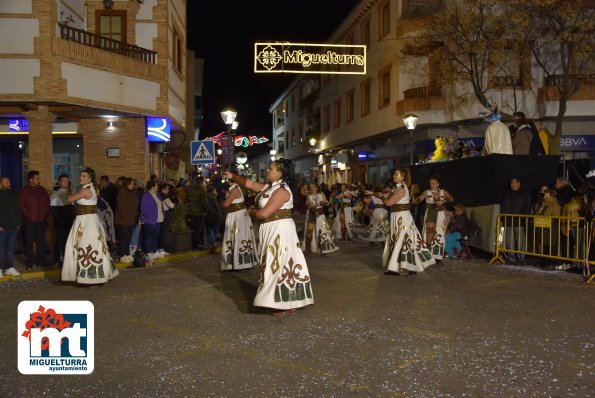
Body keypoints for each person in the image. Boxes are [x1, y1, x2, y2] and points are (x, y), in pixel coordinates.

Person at [223, 159, 314, 317]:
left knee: (279, 263)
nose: (267, 171)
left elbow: (264, 213)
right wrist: (233, 176)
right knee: (273, 263)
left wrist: (251, 211)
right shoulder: (271, 188)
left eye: (270, 169)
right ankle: (282, 301)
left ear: (279, 173)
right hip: (271, 228)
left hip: (280, 230)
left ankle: (285, 304)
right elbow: (250, 184)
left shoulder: (282, 191)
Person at [61, 168, 119, 284]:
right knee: (90, 245)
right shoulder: (90, 188)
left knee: (86, 245)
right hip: (86, 220)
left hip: (86, 222)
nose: (81, 178)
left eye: (84, 176)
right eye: (81, 175)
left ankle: (90, 276)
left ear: (90, 178)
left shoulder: (86, 190)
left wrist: (66, 188)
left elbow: (68, 199)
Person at [381, 168, 435, 275]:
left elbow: (388, 203)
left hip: (402, 217)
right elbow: (388, 196)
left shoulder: (401, 189)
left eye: (396, 175)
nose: (394, 176)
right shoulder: (397, 188)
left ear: (403, 177)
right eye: (394, 174)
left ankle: (395, 268)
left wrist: (383, 198)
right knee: (401, 240)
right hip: (398, 216)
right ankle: (408, 267)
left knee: (401, 240)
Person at [413, 175, 454, 261]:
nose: (432, 185)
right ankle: (427, 254)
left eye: (434, 183)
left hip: (440, 214)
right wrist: (414, 200)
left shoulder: (443, 192)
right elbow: (419, 199)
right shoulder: (427, 192)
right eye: (431, 183)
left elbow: (451, 199)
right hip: (431, 213)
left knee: (439, 233)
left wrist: (443, 201)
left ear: (438, 184)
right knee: (430, 233)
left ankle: (437, 256)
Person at [220, 180, 258, 271]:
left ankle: (241, 264)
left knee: (239, 237)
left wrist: (221, 202)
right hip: (237, 215)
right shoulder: (234, 188)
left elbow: (225, 204)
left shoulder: (234, 190)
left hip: (237, 216)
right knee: (239, 237)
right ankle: (240, 262)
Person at [18, 170, 51, 270]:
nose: (39, 180)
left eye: (39, 178)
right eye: (37, 178)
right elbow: (21, 205)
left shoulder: (42, 189)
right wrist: (28, 215)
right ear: (31, 180)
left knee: (41, 242)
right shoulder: (25, 191)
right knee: (29, 242)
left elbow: (47, 202)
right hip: (30, 221)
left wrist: (45, 214)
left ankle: (41, 261)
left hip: (41, 221)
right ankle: (30, 264)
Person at [500, 177, 532, 265]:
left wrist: (521, 218)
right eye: (511, 183)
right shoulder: (506, 194)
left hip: (519, 222)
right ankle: (511, 258)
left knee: (520, 241)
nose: (511, 185)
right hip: (508, 222)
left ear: (518, 183)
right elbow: (503, 207)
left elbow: (527, 208)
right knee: (509, 241)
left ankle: (521, 259)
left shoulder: (525, 194)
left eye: (513, 183)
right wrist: (503, 217)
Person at [301, 183, 338, 254]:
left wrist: (320, 203)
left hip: (321, 215)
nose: (312, 189)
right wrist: (315, 210)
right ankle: (308, 249)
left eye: (313, 187)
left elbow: (327, 203)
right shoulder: (309, 196)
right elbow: (310, 206)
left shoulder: (321, 195)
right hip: (312, 215)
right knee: (309, 231)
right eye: (311, 188)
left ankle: (324, 249)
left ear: (317, 188)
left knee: (322, 232)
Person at [50, 174, 75, 267]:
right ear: (59, 183)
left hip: (69, 221)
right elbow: (53, 209)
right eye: (63, 181)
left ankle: (66, 258)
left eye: (67, 181)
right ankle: (58, 259)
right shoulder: (56, 193)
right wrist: (60, 220)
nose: (66, 182)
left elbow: (71, 207)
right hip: (61, 222)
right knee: (60, 240)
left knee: (68, 240)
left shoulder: (69, 192)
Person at [0, 176, 23, 278]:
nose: (9, 184)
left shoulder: (13, 195)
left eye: (9, 182)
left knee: (9, 248)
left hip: (13, 227)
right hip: (2, 228)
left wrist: (18, 223)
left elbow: (18, 209)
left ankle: (9, 267)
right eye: (6, 182)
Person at [114, 177, 138, 263]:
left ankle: (126, 253)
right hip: (123, 220)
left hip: (131, 220)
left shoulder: (132, 192)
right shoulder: (122, 193)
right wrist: (126, 218)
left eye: (133, 184)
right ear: (127, 184)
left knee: (128, 238)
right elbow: (120, 208)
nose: (132, 185)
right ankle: (122, 255)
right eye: (131, 183)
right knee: (124, 238)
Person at [139, 180, 163, 260]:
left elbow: (160, 206)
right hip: (150, 220)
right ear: (153, 187)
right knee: (149, 237)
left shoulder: (157, 195)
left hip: (158, 220)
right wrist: (150, 217)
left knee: (155, 236)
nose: (157, 187)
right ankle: (149, 252)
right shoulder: (146, 196)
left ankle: (154, 251)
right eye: (156, 185)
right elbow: (144, 209)